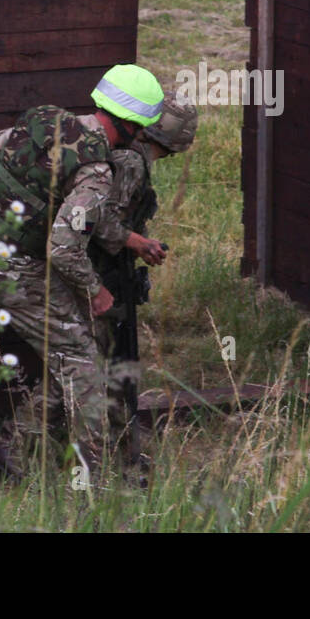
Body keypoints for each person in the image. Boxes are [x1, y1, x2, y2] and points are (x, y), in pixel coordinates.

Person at [0, 64, 164, 491]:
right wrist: (95, 292)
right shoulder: (96, 171)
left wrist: (28, 196)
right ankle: (95, 483)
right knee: (82, 365)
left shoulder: (43, 118)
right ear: (132, 126)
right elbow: (63, 248)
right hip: (17, 270)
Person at [88, 89, 199, 443]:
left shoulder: (126, 152)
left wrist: (137, 241)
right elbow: (98, 222)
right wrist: (137, 242)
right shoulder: (132, 163)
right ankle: (116, 439)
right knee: (108, 358)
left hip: (100, 267)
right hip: (97, 272)